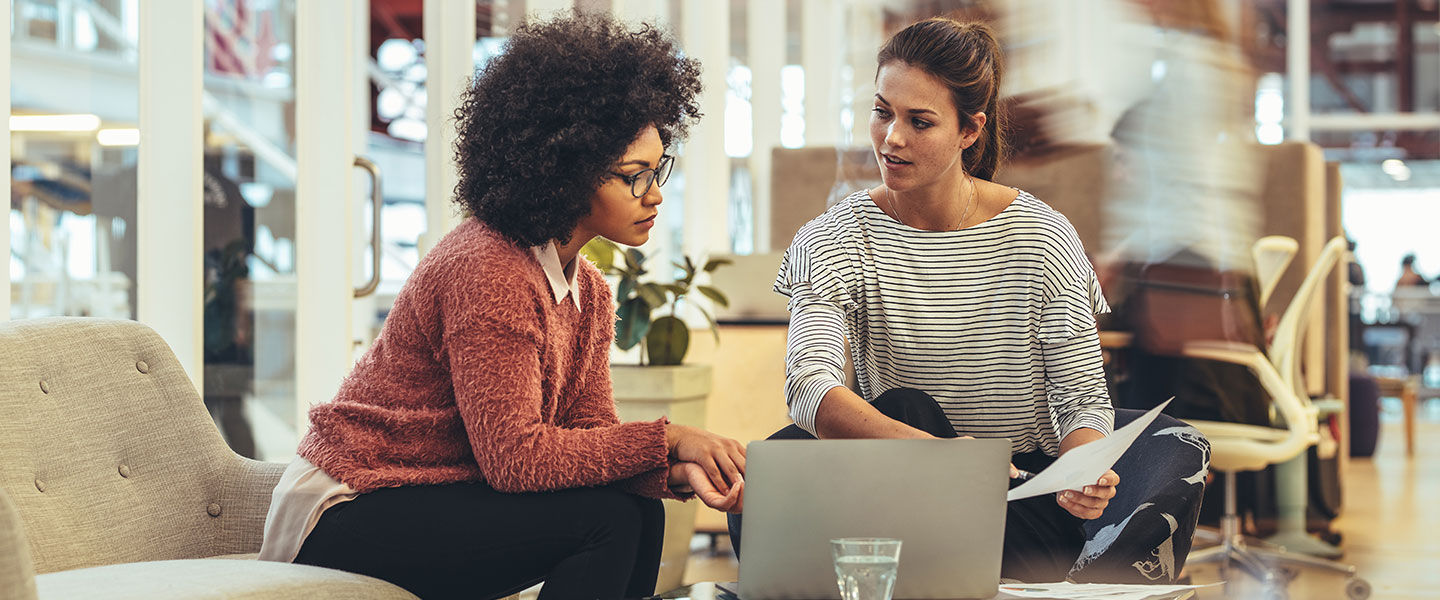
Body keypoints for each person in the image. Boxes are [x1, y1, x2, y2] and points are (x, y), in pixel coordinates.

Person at [257, 13, 745, 600]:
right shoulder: (489, 269)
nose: (656, 194)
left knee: (639, 511)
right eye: (634, 177)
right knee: (607, 522)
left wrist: (670, 472)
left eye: (658, 169)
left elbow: (586, 436)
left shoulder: (586, 289)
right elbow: (516, 458)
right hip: (351, 502)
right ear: (568, 173)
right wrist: (668, 440)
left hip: (433, 489)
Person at [729, 18, 1209, 584]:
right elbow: (809, 389)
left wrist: (1086, 469)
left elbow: (1081, 400)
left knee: (1176, 443)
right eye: (882, 111)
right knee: (863, 426)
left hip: (1016, 499)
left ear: (969, 130)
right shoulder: (833, 238)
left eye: (920, 121)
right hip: (893, 485)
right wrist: (949, 462)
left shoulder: (1042, 237)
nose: (892, 138)